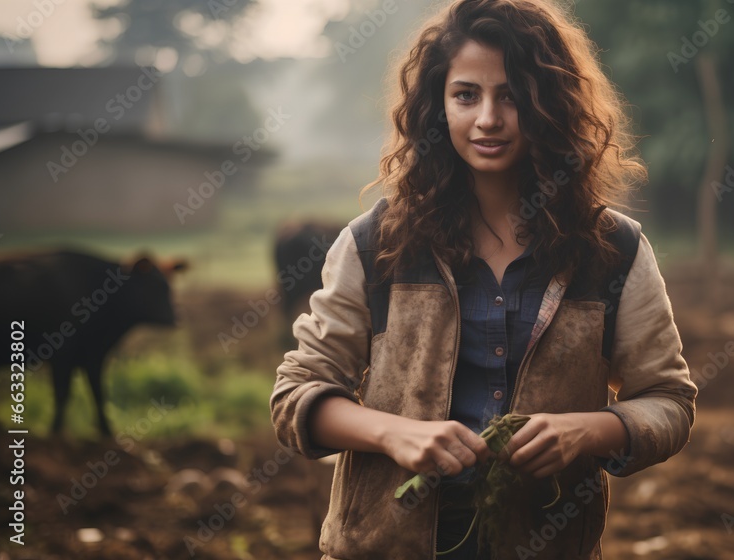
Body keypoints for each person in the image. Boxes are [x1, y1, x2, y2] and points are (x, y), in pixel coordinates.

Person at [270, 0, 697, 558]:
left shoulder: (613, 250)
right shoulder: (376, 244)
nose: (488, 118)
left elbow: (669, 401)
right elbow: (296, 394)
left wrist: (587, 431)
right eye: (466, 94)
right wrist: (395, 433)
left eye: (512, 96)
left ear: (551, 106)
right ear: (437, 105)